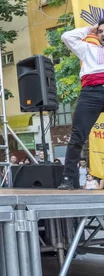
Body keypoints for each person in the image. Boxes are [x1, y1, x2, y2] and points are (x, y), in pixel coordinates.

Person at [58, 22, 104, 189]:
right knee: (77, 136)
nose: (102, 34)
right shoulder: (88, 49)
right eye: (100, 31)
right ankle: (68, 179)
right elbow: (66, 37)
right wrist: (89, 30)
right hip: (91, 92)